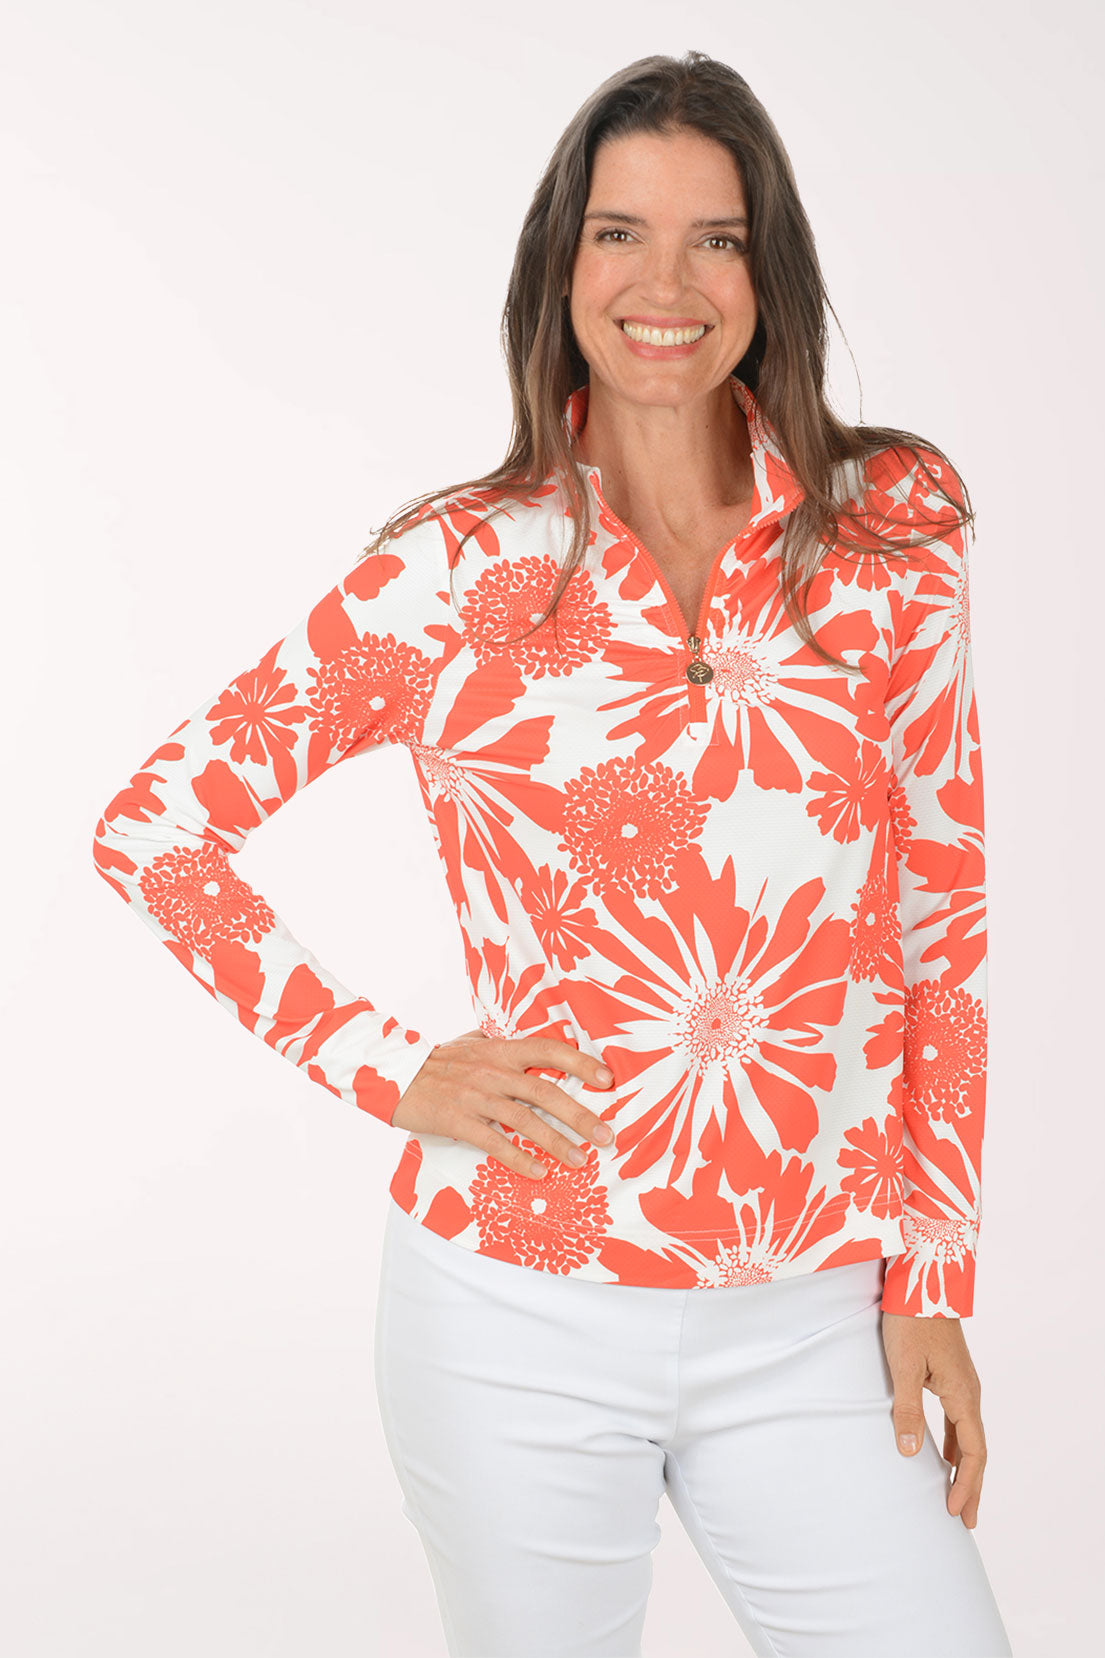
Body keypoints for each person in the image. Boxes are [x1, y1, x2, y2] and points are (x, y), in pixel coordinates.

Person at [92, 49, 1014, 1658]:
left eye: (714, 239)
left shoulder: (888, 529)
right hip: (514, 1312)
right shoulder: (455, 574)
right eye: (617, 235)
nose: (665, 283)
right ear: (558, 268)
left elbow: (940, 908)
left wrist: (925, 1275)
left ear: (767, 269)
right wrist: (392, 1066)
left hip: (813, 1314)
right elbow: (157, 826)